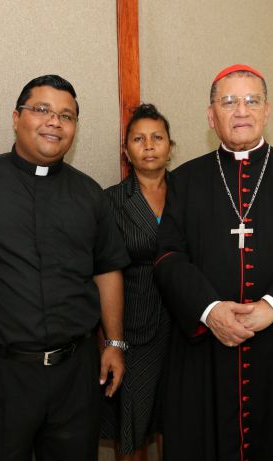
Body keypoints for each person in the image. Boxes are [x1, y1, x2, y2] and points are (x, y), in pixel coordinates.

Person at [153, 64, 273, 461]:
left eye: (251, 101)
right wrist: (210, 310)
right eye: (228, 102)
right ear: (211, 116)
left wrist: (271, 308)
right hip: (207, 347)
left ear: (267, 111)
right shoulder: (185, 180)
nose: (241, 111)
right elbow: (168, 256)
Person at [0, 74, 130, 461]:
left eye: (67, 116)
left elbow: (107, 270)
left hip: (76, 373)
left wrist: (114, 343)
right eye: (42, 110)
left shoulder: (90, 194)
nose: (54, 122)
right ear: (17, 118)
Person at [100, 103, 173, 461]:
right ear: (126, 150)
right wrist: (109, 340)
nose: (149, 145)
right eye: (138, 139)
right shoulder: (111, 201)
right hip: (133, 329)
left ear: (170, 146)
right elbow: (100, 272)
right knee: (134, 425)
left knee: (180, 419)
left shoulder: (189, 191)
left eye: (157, 137)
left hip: (187, 327)